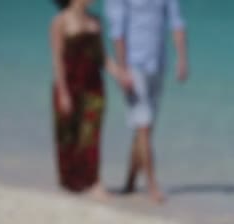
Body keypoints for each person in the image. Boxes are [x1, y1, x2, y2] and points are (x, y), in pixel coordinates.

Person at [105, 0, 189, 203]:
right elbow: (118, 31)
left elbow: (176, 22)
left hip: (158, 63)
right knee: (143, 126)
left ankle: (130, 183)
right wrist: (122, 70)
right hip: (133, 65)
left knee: (145, 128)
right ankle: (152, 185)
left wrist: (182, 59)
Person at [50, 0, 131, 198]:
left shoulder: (96, 20)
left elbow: (101, 57)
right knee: (69, 136)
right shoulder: (59, 22)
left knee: (92, 135)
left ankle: (95, 182)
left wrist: (119, 74)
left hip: (94, 86)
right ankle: (73, 182)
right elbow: (58, 59)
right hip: (69, 85)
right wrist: (63, 92)